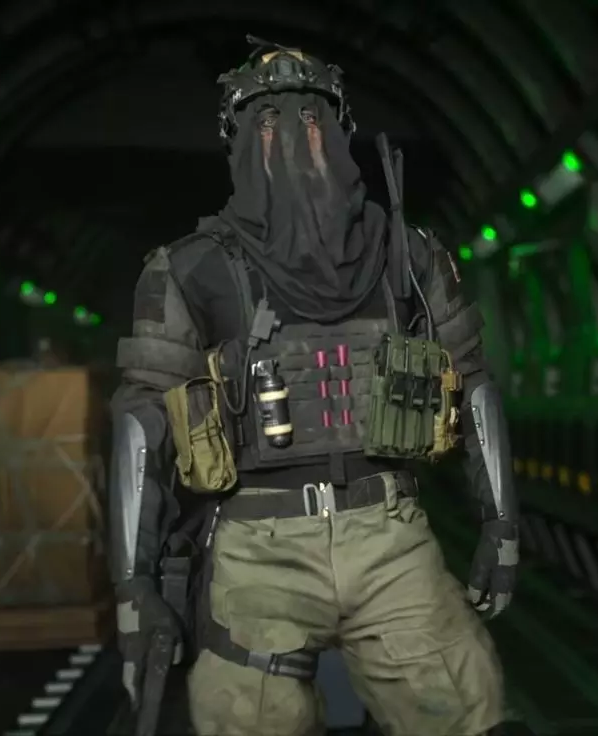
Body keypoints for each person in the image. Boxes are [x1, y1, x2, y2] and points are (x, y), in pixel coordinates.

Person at [108, 37, 519, 736]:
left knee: (466, 713)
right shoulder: (190, 270)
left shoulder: (410, 257)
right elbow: (143, 420)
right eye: (268, 122)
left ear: (340, 128)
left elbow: (472, 384)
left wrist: (502, 529)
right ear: (239, 140)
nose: (294, 138)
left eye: (309, 118)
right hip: (255, 547)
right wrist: (133, 585)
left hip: (391, 536)